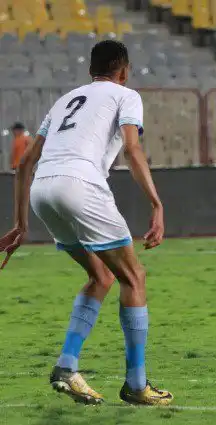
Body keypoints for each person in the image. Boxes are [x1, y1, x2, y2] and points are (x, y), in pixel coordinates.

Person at [0, 40, 173, 406]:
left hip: (43, 190)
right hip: (80, 186)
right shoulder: (126, 96)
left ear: (91, 70)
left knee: (101, 276)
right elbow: (132, 148)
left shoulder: (64, 101)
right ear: (124, 72)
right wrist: (156, 204)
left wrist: (21, 225)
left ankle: (67, 366)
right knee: (134, 277)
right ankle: (136, 384)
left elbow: (25, 163)